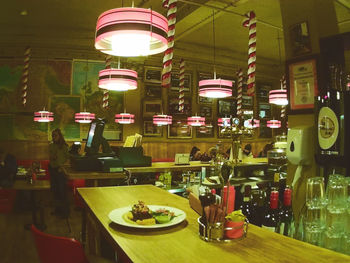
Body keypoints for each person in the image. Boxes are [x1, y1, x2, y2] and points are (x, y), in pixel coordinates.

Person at [49, 128, 70, 218]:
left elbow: (69, 160)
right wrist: (52, 158)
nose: (53, 137)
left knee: (62, 192)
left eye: (55, 135)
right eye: (52, 136)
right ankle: (58, 210)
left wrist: (62, 167)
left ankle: (65, 213)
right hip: (52, 169)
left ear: (60, 136)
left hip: (60, 171)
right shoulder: (51, 146)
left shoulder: (64, 147)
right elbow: (51, 156)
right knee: (55, 192)